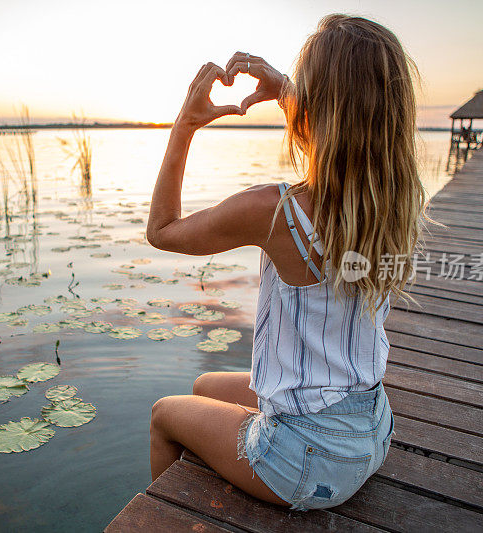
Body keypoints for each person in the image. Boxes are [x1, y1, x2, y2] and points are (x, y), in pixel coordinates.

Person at [147, 14, 428, 511]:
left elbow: (163, 231)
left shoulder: (276, 212)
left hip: (310, 462)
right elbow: (355, 126)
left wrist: (185, 125)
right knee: (204, 386)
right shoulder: (396, 201)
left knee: (165, 414)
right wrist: (285, 91)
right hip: (371, 430)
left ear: (315, 110)